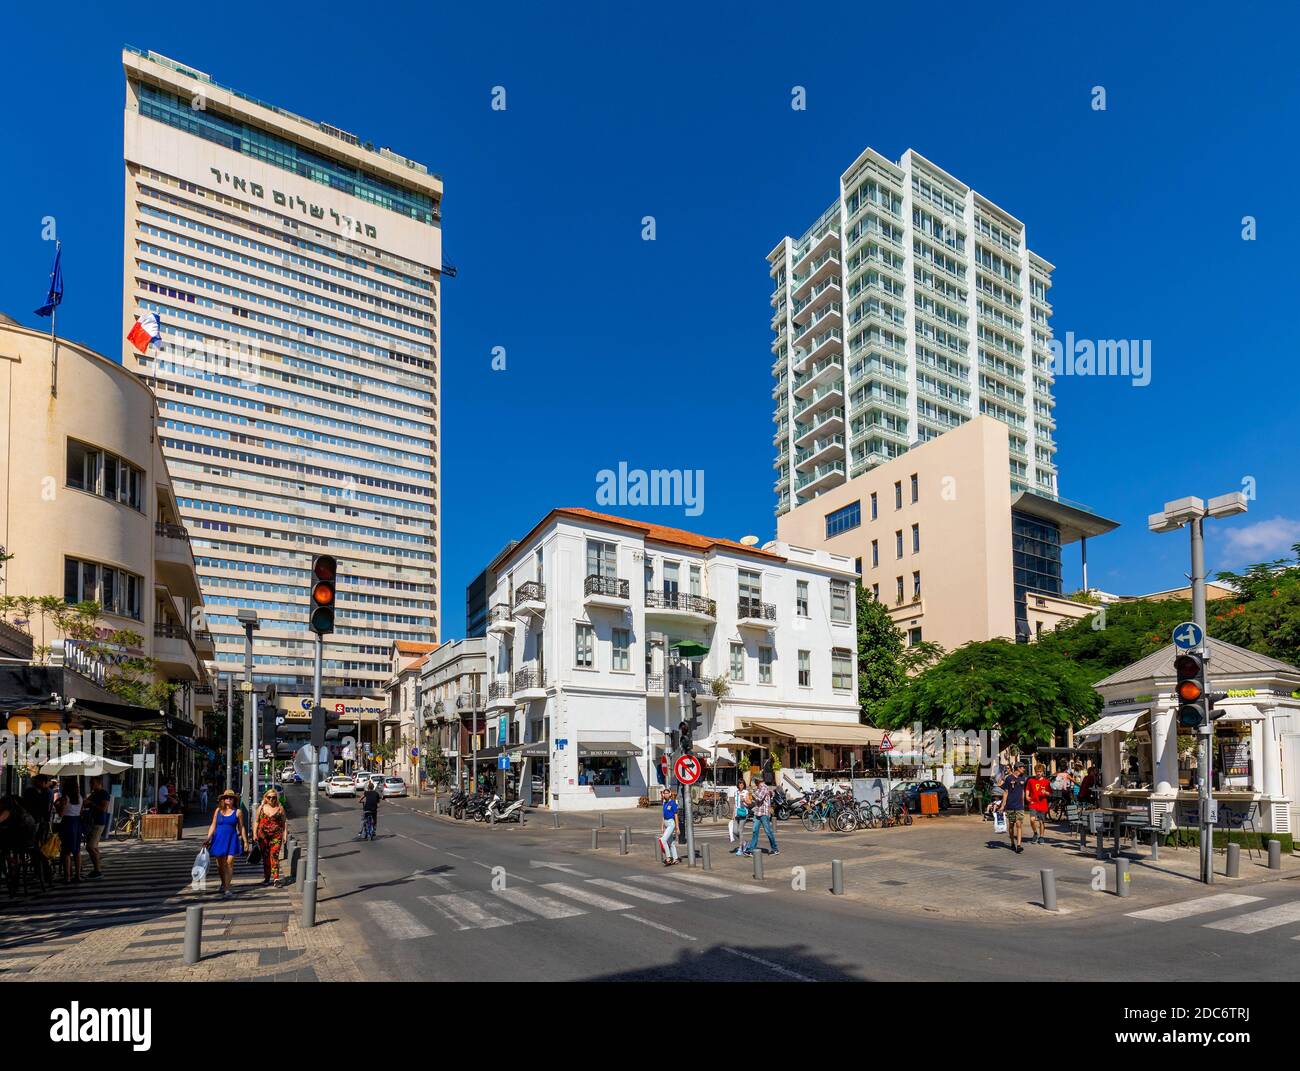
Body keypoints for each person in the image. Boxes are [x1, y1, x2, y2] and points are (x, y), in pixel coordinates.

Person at [204, 789, 248, 898]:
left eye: (231, 798)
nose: (228, 799)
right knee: (220, 865)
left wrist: (245, 841)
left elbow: (241, 827)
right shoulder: (218, 811)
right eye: (226, 798)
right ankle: (223, 883)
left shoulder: (238, 812)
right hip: (218, 839)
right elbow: (213, 825)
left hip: (231, 839)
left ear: (234, 800)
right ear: (223, 800)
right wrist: (208, 838)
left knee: (229, 863)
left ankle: (227, 889)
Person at [254, 788, 287, 886]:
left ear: (276, 798)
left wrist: (285, 834)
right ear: (266, 798)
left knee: (274, 856)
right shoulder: (261, 808)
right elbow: (256, 821)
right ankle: (267, 877)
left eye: (274, 797)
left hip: (276, 836)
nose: (271, 799)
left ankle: (276, 878)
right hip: (263, 836)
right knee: (265, 857)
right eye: (269, 797)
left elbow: (284, 822)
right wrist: (255, 834)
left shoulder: (280, 808)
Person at [740, 777, 779, 857]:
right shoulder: (759, 788)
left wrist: (753, 791)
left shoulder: (764, 787)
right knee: (755, 831)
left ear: (758, 781)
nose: (753, 783)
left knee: (768, 832)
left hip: (764, 813)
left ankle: (775, 849)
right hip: (758, 813)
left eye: (754, 781)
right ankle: (751, 850)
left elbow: (759, 798)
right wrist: (754, 791)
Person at [56, 778, 84, 882]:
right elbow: (81, 812)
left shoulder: (65, 798)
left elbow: (61, 814)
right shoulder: (80, 798)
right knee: (77, 851)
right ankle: (78, 876)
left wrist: (56, 805)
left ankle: (67, 877)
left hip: (67, 823)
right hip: (77, 823)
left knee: (66, 851)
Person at [83, 776, 111, 879]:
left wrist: (91, 804)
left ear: (99, 783)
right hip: (92, 822)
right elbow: (85, 804)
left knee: (90, 847)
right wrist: (86, 802)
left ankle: (98, 871)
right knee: (94, 847)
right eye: (91, 783)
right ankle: (96, 869)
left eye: (93, 783)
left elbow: (103, 808)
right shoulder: (93, 794)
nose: (91, 785)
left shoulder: (104, 793)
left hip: (99, 822)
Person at [998, 763, 1029, 853]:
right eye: (1023, 767)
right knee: (1011, 825)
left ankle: (1019, 845)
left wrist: (1023, 804)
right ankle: (1012, 842)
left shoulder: (1023, 778)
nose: (1024, 769)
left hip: (1019, 806)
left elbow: (1022, 791)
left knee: (1019, 824)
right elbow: (1006, 792)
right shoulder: (1009, 778)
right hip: (1010, 805)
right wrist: (1003, 805)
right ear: (1018, 768)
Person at [1026, 764, 1052, 845]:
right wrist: (1027, 796)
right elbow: (1027, 789)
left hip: (1042, 803)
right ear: (1035, 772)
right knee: (1032, 820)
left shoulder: (1046, 782)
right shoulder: (1031, 781)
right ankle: (1035, 833)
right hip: (1033, 803)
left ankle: (1041, 837)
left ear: (1043, 772)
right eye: (1037, 772)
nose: (1038, 773)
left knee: (1041, 821)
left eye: (1040, 772)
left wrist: (1046, 792)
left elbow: (1050, 794)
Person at [658, 789, 679, 865]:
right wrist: (662, 826)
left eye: (667, 793)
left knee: (663, 840)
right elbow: (663, 816)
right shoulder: (664, 803)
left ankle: (668, 857)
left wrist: (677, 827)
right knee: (671, 843)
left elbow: (676, 815)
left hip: (671, 823)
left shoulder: (672, 803)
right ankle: (676, 858)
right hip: (666, 823)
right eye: (664, 793)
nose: (666, 794)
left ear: (670, 794)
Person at [728, 779, 751, 845]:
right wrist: (733, 815)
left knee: (740, 830)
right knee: (735, 831)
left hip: (743, 812)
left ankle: (741, 848)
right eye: (740, 784)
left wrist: (744, 800)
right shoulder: (736, 793)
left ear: (744, 785)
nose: (741, 786)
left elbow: (749, 802)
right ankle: (744, 843)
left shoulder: (746, 792)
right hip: (737, 813)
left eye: (742, 784)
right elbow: (735, 804)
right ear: (738, 785)